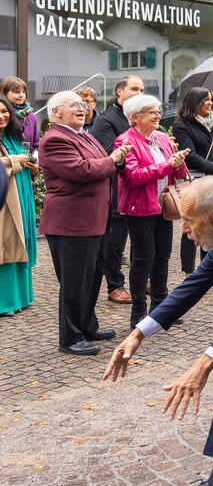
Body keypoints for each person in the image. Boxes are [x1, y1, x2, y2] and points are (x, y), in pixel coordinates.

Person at [103, 176, 213, 486]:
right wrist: (138, 333)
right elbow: (192, 286)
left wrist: (205, 361)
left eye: (188, 221)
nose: (184, 230)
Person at [38, 91, 131, 355]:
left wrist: (118, 158)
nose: (82, 109)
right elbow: (81, 171)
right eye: (74, 106)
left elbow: (102, 163)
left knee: (91, 278)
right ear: (56, 112)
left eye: (83, 105)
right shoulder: (54, 139)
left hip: (95, 220)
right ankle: (70, 338)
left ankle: (88, 326)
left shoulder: (83, 134)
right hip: (71, 222)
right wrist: (113, 159)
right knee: (75, 282)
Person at [116, 94, 189, 329]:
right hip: (140, 208)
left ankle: (161, 307)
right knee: (143, 258)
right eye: (152, 112)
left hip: (164, 206)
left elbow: (177, 174)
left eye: (158, 111)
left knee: (163, 257)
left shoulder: (162, 138)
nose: (158, 115)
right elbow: (134, 177)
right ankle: (139, 311)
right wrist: (168, 164)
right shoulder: (125, 141)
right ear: (135, 117)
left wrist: (178, 158)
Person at [91, 75, 144, 304]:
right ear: (119, 91)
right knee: (115, 242)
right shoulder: (106, 120)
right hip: (117, 190)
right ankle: (115, 285)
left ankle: (140, 280)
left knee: (141, 239)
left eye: (142, 89)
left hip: (141, 188)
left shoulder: (141, 118)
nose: (139, 93)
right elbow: (109, 155)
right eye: (134, 88)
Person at [173, 87, 213, 277]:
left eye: (211, 100)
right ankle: (189, 272)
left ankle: (210, 271)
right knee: (192, 224)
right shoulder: (182, 125)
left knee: (212, 224)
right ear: (194, 103)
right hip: (196, 179)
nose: (210, 103)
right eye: (205, 100)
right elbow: (191, 156)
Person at [0, 96, 38, 317]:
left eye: (5, 111)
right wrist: (14, 161)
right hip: (5, 199)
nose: (2, 116)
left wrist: (32, 164)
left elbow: (27, 155)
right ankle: (5, 302)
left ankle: (22, 298)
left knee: (23, 239)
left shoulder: (14, 135)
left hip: (21, 193)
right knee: (6, 244)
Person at [0, 76, 40, 154]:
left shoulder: (30, 115)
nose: (21, 95)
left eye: (23, 92)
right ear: (5, 94)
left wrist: (35, 161)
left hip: (27, 162)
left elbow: (36, 144)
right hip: (9, 162)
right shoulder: (4, 116)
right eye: (17, 92)